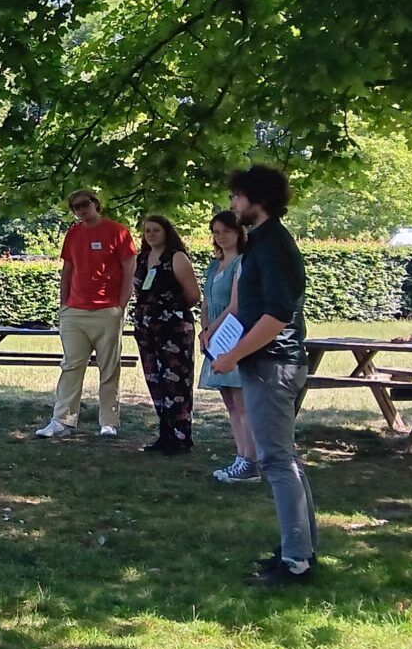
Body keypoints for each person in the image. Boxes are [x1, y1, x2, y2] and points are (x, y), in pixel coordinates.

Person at [211, 165, 316, 586]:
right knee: (283, 457)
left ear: (260, 200)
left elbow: (276, 315)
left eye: (238, 196)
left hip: (273, 366)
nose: (233, 204)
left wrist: (232, 355)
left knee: (275, 460)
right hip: (264, 364)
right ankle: (299, 549)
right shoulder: (261, 243)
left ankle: (296, 561)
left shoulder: (274, 247)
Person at [37, 189, 137, 439]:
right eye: (75, 207)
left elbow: (129, 270)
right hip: (75, 311)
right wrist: (64, 305)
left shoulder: (118, 231)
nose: (80, 210)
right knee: (71, 365)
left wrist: (120, 306)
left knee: (109, 368)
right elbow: (67, 269)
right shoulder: (73, 233)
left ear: (96, 204)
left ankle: (109, 422)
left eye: (84, 204)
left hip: (107, 310)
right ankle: (62, 420)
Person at [131, 215, 201, 454]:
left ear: (166, 232)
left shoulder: (176, 258)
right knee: (155, 380)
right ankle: (165, 434)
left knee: (176, 382)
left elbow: (193, 295)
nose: (151, 234)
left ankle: (181, 437)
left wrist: (171, 311)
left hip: (173, 329)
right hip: (146, 328)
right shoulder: (141, 259)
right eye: (147, 231)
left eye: (156, 230)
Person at [198, 210, 258, 483]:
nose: (221, 237)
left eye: (226, 231)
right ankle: (240, 455)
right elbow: (207, 301)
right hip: (213, 336)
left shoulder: (241, 263)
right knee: (230, 402)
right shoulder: (215, 265)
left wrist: (214, 329)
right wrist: (204, 328)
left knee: (242, 400)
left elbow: (235, 305)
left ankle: (251, 459)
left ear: (238, 233)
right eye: (216, 232)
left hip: (231, 334)